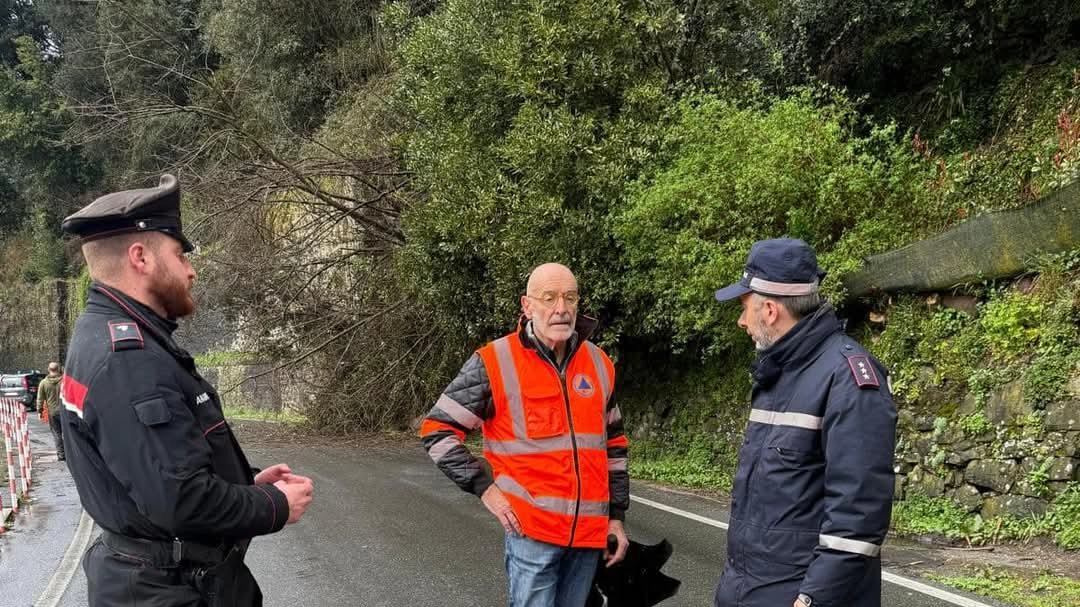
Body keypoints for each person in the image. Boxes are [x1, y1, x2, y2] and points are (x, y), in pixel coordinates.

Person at [59, 174, 314, 607]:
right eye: (180, 255)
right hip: (171, 591)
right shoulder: (128, 360)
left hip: (158, 581)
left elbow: (153, 474)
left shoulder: (109, 337)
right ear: (140, 257)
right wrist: (272, 504)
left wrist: (247, 485)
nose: (191, 270)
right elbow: (179, 500)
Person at [419, 262, 630, 607]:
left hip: (589, 539)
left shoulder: (599, 364)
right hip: (533, 534)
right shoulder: (494, 362)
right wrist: (484, 489)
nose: (561, 309)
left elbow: (615, 447)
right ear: (527, 305)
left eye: (570, 298)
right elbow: (437, 430)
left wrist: (616, 519)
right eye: (549, 298)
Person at [711, 238, 897, 607]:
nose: (740, 320)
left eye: (744, 307)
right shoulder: (778, 372)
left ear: (769, 310)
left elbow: (857, 516)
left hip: (798, 595)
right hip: (750, 588)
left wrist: (812, 599)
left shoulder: (849, 378)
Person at [37, 362, 64, 460]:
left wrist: (39, 411)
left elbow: (40, 399)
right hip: (65, 411)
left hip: (52, 412)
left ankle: (61, 454)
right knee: (68, 433)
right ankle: (72, 454)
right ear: (59, 369)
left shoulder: (44, 383)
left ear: (49, 369)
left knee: (57, 433)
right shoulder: (64, 381)